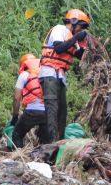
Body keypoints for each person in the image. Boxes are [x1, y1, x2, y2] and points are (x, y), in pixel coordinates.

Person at [39, 9, 91, 143]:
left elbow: (80, 56)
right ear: (73, 22)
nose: (81, 30)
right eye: (81, 26)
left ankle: (59, 143)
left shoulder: (72, 39)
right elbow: (58, 48)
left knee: (62, 112)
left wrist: (88, 48)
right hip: (49, 73)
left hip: (59, 76)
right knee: (52, 109)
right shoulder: (59, 29)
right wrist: (76, 38)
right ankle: (50, 144)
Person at [10, 54, 49, 148]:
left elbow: (16, 98)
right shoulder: (46, 73)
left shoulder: (24, 75)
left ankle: (18, 156)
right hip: (48, 112)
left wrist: (15, 116)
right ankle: (46, 160)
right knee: (46, 140)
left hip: (32, 111)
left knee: (17, 134)